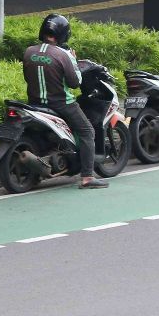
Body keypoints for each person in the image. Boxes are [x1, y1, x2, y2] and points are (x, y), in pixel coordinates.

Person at [23, 14, 107, 189]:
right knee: (87, 131)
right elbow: (75, 83)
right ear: (63, 34)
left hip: (35, 103)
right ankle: (87, 178)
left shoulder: (29, 51)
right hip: (61, 104)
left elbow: (27, 77)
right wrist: (74, 61)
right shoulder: (63, 55)